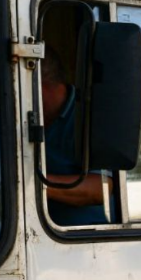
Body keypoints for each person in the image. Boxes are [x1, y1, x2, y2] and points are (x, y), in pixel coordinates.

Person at [41, 48, 111, 226]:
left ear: (37, 86)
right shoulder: (28, 119)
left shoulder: (92, 116)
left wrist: (34, 183)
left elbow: (100, 189)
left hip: (86, 244)